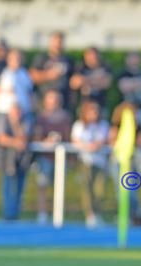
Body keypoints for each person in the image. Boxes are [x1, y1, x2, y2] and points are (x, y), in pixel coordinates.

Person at [31, 89, 73, 224]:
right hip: (45, 157)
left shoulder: (65, 117)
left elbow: (69, 137)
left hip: (61, 158)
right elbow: (36, 136)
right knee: (42, 186)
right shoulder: (41, 117)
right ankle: (42, 214)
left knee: (59, 187)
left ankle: (58, 214)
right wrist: (46, 142)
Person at [71, 99, 110, 229]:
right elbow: (76, 141)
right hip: (85, 160)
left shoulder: (103, 125)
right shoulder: (79, 125)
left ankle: (98, 213)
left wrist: (94, 146)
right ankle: (90, 215)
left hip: (100, 161)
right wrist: (87, 147)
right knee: (87, 189)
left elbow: (102, 141)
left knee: (99, 190)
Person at [0, 103, 33, 220]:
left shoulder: (26, 120)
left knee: (20, 188)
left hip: (22, 160)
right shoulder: (3, 120)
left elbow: (24, 137)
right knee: (7, 187)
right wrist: (15, 142)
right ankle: (7, 213)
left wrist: (16, 124)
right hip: (7, 161)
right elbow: (1, 138)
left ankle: (15, 214)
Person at [29, 31, 74, 112]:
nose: (58, 45)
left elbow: (72, 80)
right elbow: (32, 76)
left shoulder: (68, 60)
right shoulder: (41, 58)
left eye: (60, 42)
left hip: (63, 102)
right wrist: (49, 75)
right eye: (55, 42)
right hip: (44, 101)